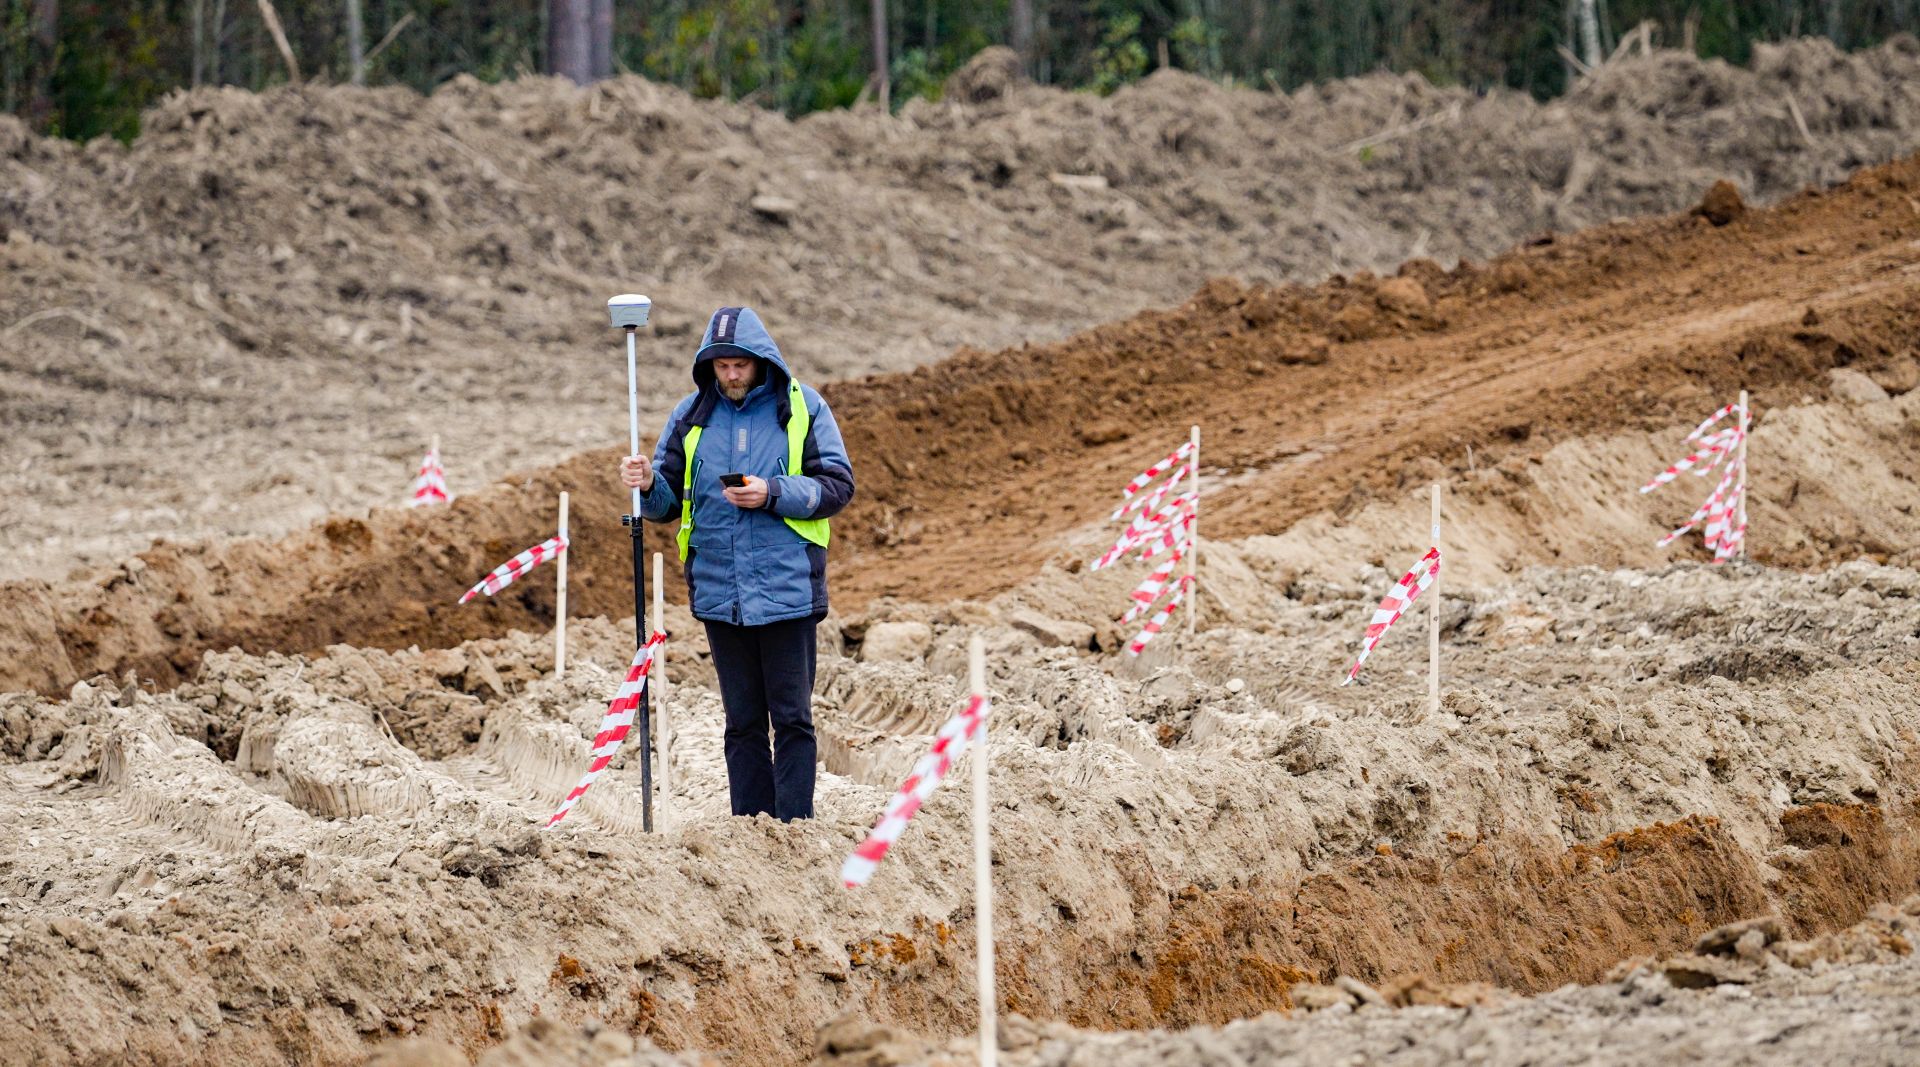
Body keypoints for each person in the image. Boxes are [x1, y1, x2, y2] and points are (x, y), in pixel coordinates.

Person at [618, 306, 854, 821]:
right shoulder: (690, 416)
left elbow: (838, 485)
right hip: (720, 592)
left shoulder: (803, 409)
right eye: (721, 366)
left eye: (739, 365)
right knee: (741, 722)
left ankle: (795, 830)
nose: (730, 375)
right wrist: (645, 484)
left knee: (792, 719)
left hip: (787, 590)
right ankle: (750, 828)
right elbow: (665, 505)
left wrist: (772, 493)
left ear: (760, 361)